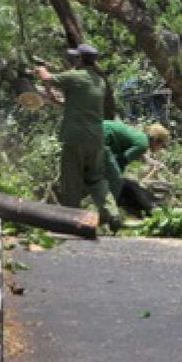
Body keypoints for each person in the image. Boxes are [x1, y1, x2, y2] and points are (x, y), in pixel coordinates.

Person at [36, 43, 120, 231]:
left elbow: (47, 78)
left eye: (76, 58)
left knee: (71, 182)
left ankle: (71, 219)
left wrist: (41, 69)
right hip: (96, 139)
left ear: (80, 60)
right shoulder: (100, 81)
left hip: (75, 138)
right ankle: (112, 214)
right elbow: (77, 104)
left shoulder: (76, 76)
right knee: (97, 179)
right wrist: (54, 99)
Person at [103, 120, 170, 214]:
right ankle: (110, 215)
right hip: (102, 138)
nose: (161, 149)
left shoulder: (141, 138)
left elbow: (133, 152)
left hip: (100, 133)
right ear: (156, 140)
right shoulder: (143, 145)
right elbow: (121, 161)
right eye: (162, 146)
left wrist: (151, 162)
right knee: (117, 183)